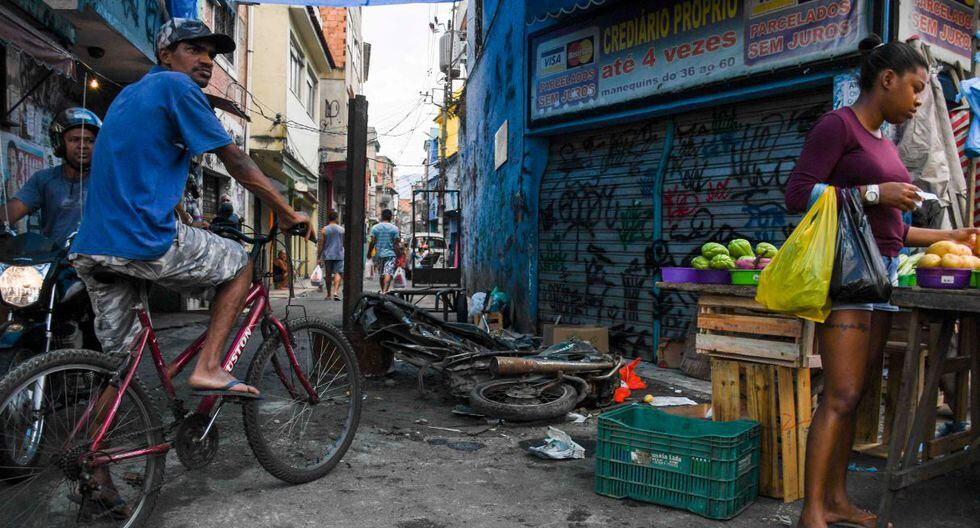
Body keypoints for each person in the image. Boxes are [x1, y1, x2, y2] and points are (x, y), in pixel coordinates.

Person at [785, 35, 980, 528]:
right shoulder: (839, 125)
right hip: (849, 279)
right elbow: (797, 193)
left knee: (857, 395)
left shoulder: (884, 143)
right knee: (841, 395)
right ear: (887, 80)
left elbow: (893, 228)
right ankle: (812, 512)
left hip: (881, 279)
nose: (919, 100)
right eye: (915, 88)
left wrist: (951, 233)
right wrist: (876, 191)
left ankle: (837, 499)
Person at [72, 18, 312, 400]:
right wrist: (285, 211)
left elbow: (141, 169)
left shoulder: (131, 94)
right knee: (239, 263)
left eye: (211, 54)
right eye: (194, 49)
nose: (206, 60)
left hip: (94, 245)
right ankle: (209, 367)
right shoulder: (177, 86)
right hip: (142, 238)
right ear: (165, 56)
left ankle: (94, 454)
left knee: (121, 370)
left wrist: (185, 216)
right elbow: (236, 161)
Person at [0, 107, 101, 245]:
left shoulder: (108, 181)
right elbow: (15, 209)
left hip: (97, 262)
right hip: (53, 261)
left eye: (90, 140)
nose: (83, 146)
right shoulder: (44, 179)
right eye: (74, 140)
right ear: (59, 144)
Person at [367, 209, 400, 293]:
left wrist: (369, 253)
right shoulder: (395, 229)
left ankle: (383, 291)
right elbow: (396, 244)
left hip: (379, 255)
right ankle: (385, 291)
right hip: (391, 255)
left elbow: (372, 242)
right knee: (388, 272)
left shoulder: (375, 228)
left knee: (381, 274)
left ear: (381, 216)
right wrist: (398, 255)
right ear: (391, 217)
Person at [317, 210, 345, 300]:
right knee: (338, 273)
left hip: (328, 255)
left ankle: (328, 294)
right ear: (336, 218)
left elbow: (321, 244)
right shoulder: (341, 230)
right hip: (339, 254)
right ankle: (336, 292)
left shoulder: (325, 229)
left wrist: (318, 256)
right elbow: (344, 243)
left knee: (328, 274)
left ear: (329, 219)